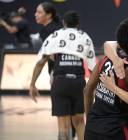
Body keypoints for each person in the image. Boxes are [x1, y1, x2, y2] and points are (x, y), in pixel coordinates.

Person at [29, 10, 96, 140]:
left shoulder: (55, 35)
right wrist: (93, 89)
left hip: (60, 82)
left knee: (63, 126)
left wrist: (32, 84)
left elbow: (40, 62)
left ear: (64, 22)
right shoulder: (85, 37)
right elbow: (93, 68)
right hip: (78, 83)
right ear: (78, 24)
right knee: (80, 122)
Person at [35, 2, 61, 75]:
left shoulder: (46, 30)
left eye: (39, 12)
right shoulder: (58, 26)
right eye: (36, 12)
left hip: (57, 70)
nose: (36, 14)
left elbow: (51, 54)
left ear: (49, 15)